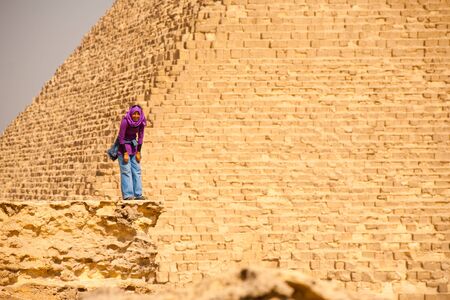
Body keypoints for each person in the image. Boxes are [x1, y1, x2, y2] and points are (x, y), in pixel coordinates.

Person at [117, 104, 147, 200]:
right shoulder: (125, 121)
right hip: (123, 148)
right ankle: (128, 195)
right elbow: (121, 138)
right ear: (131, 113)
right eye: (134, 114)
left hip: (134, 148)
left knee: (137, 171)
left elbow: (141, 137)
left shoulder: (141, 121)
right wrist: (125, 153)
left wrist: (138, 152)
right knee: (126, 171)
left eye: (138, 114)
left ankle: (138, 194)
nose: (136, 116)